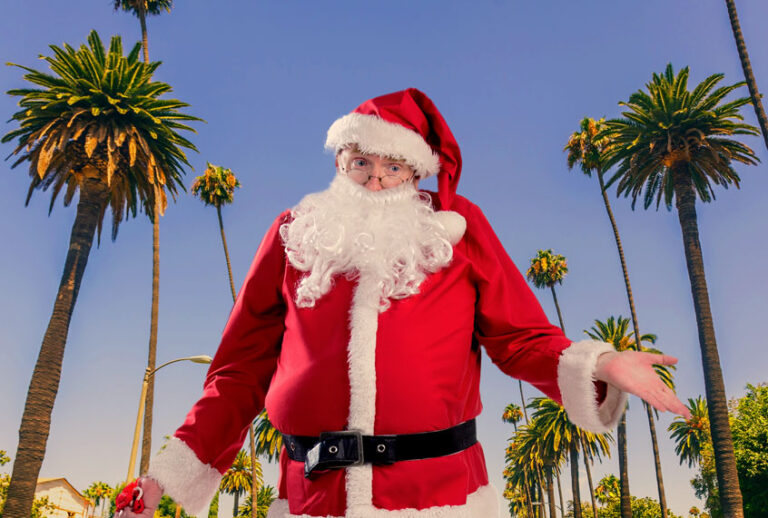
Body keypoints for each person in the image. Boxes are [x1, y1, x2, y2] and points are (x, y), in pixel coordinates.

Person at [115, 88, 689, 518]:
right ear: (339, 162)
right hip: (313, 498)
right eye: (359, 162)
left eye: (392, 167)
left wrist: (602, 365)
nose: (374, 180)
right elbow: (239, 372)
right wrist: (168, 476)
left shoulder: (458, 232)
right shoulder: (295, 233)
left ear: (417, 173)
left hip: (439, 496)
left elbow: (518, 338)